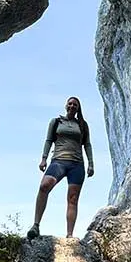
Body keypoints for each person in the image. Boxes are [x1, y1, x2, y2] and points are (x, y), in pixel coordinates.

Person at [27, 96, 94, 239]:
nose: (72, 106)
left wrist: (91, 164)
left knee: (73, 198)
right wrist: (44, 159)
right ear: (66, 106)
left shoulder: (82, 125)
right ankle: (36, 225)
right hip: (58, 161)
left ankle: (69, 235)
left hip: (77, 164)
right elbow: (48, 140)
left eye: (75, 104)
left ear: (78, 108)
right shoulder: (56, 122)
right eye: (70, 103)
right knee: (44, 186)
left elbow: (87, 145)